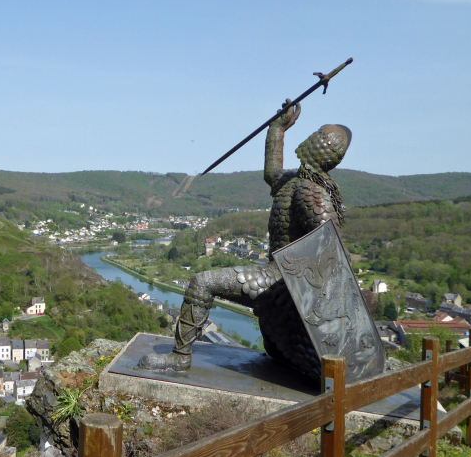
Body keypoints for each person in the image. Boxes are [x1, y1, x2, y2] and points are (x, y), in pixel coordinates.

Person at [138, 100, 352, 380]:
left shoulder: (312, 193)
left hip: (279, 279)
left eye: (319, 136)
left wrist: (302, 289)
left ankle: (179, 360)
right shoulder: (295, 182)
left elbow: (330, 250)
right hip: (280, 275)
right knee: (277, 349)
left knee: (202, 283)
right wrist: (277, 130)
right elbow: (271, 174)